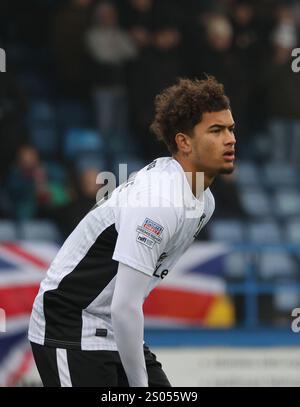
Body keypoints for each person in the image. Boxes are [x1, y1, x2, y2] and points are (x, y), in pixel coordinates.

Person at [28, 76, 236, 387]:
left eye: (230, 128)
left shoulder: (204, 202)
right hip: (69, 326)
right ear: (184, 142)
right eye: (216, 131)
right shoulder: (160, 202)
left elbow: (125, 304)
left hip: (111, 325)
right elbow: (125, 305)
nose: (230, 139)